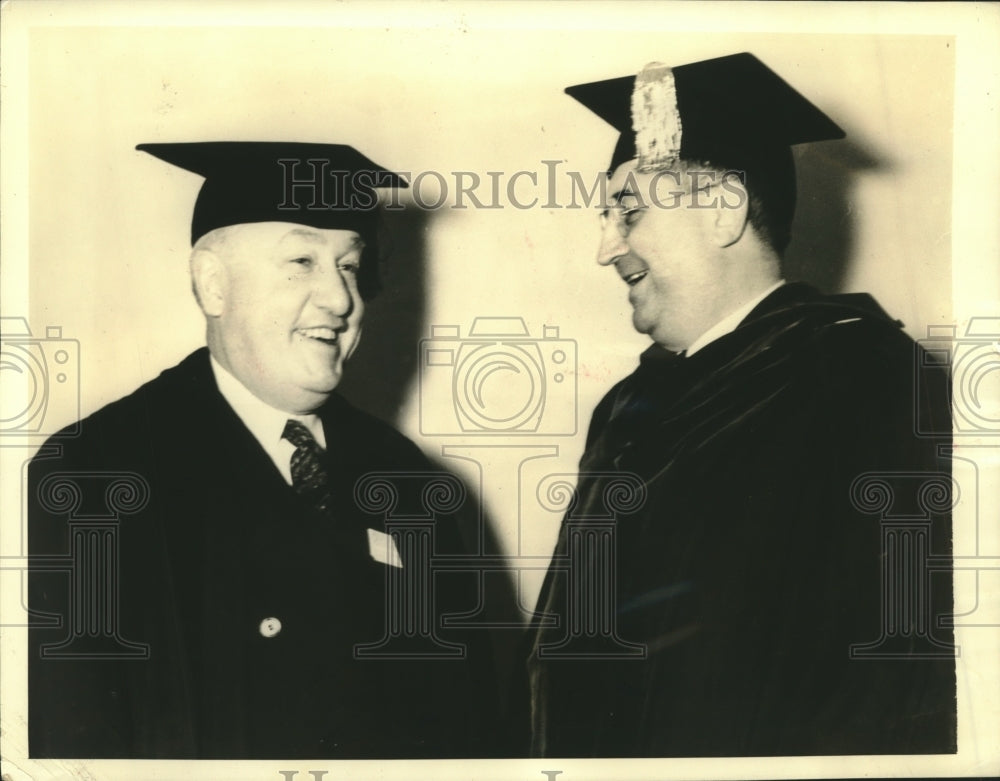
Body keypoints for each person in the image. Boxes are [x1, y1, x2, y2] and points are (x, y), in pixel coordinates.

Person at [524, 53, 956, 757]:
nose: (607, 247)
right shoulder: (628, 406)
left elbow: (886, 674)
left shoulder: (860, 379)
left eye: (627, 210)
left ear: (723, 211)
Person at [28, 142, 495, 759]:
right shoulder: (96, 473)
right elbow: (73, 738)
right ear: (213, 285)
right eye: (302, 260)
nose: (339, 299)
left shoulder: (411, 479)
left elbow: (471, 722)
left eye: (350, 266)